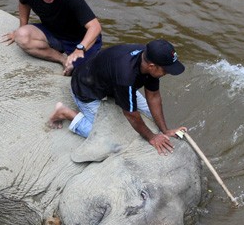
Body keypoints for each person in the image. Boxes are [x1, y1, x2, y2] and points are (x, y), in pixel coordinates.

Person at [48, 39, 187, 155]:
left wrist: (165, 130)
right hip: (86, 88)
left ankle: (118, 96)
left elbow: (154, 96)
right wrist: (152, 137)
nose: (168, 73)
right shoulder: (126, 76)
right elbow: (131, 115)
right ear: (152, 66)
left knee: (151, 114)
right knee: (105, 138)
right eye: (167, 70)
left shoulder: (149, 57)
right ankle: (65, 113)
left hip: (110, 82)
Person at [1, 0, 102, 75]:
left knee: (79, 73)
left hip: (79, 40)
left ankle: (75, 60)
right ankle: (61, 58)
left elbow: (95, 27)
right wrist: (21, 27)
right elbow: (24, 3)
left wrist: (80, 48)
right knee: (21, 36)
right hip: (53, 33)